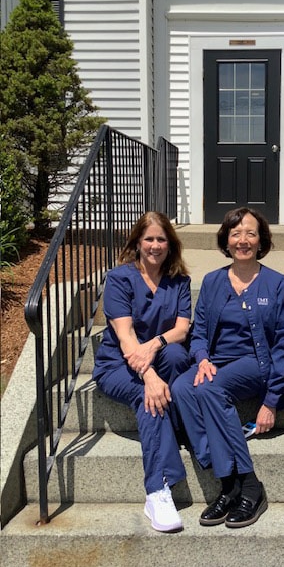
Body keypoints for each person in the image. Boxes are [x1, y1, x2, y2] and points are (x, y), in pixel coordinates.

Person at [172, 207, 284, 528]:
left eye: (250, 233)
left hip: (258, 364)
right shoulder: (212, 282)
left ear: (261, 240)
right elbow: (198, 332)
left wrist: (270, 402)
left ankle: (248, 485)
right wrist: (200, 359)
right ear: (226, 240)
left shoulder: (277, 284)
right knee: (182, 387)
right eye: (236, 233)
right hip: (215, 363)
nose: (243, 240)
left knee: (210, 388)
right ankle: (228, 483)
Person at [92, 211, 191, 533]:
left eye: (161, 238)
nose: (155, 245)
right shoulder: (120, 278)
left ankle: (169, 427)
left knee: (177, 355)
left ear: (170, 243)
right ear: (137, 242)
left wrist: (156, 344)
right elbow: (125, 336)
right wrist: (149, 377)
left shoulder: (179, 280)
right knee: (148, 399)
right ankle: (157, 491)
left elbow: (182, 328)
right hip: (117, 365)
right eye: (148, 238)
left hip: (157, 356)